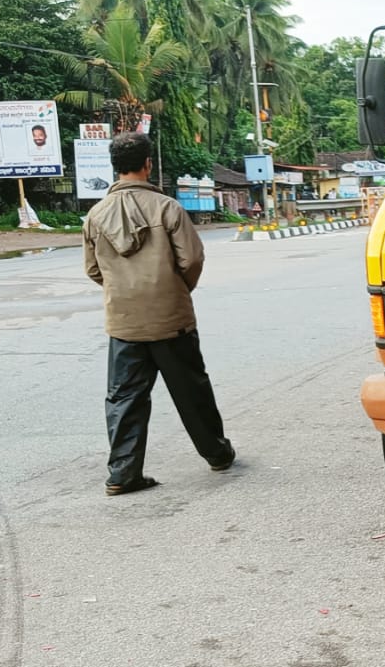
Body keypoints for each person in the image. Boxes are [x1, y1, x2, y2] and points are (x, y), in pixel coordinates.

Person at [84, 132, 234, 496]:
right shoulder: (167, 209)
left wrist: (122, 291)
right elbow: (192, 259)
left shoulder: (95, 215)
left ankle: (122, 474)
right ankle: (216, 454)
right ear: (148, 164)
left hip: (123, 322)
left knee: (123, 398)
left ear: (115, 168)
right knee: (191, 392)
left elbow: (93, 270)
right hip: (171, 319)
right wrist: (175, 290)